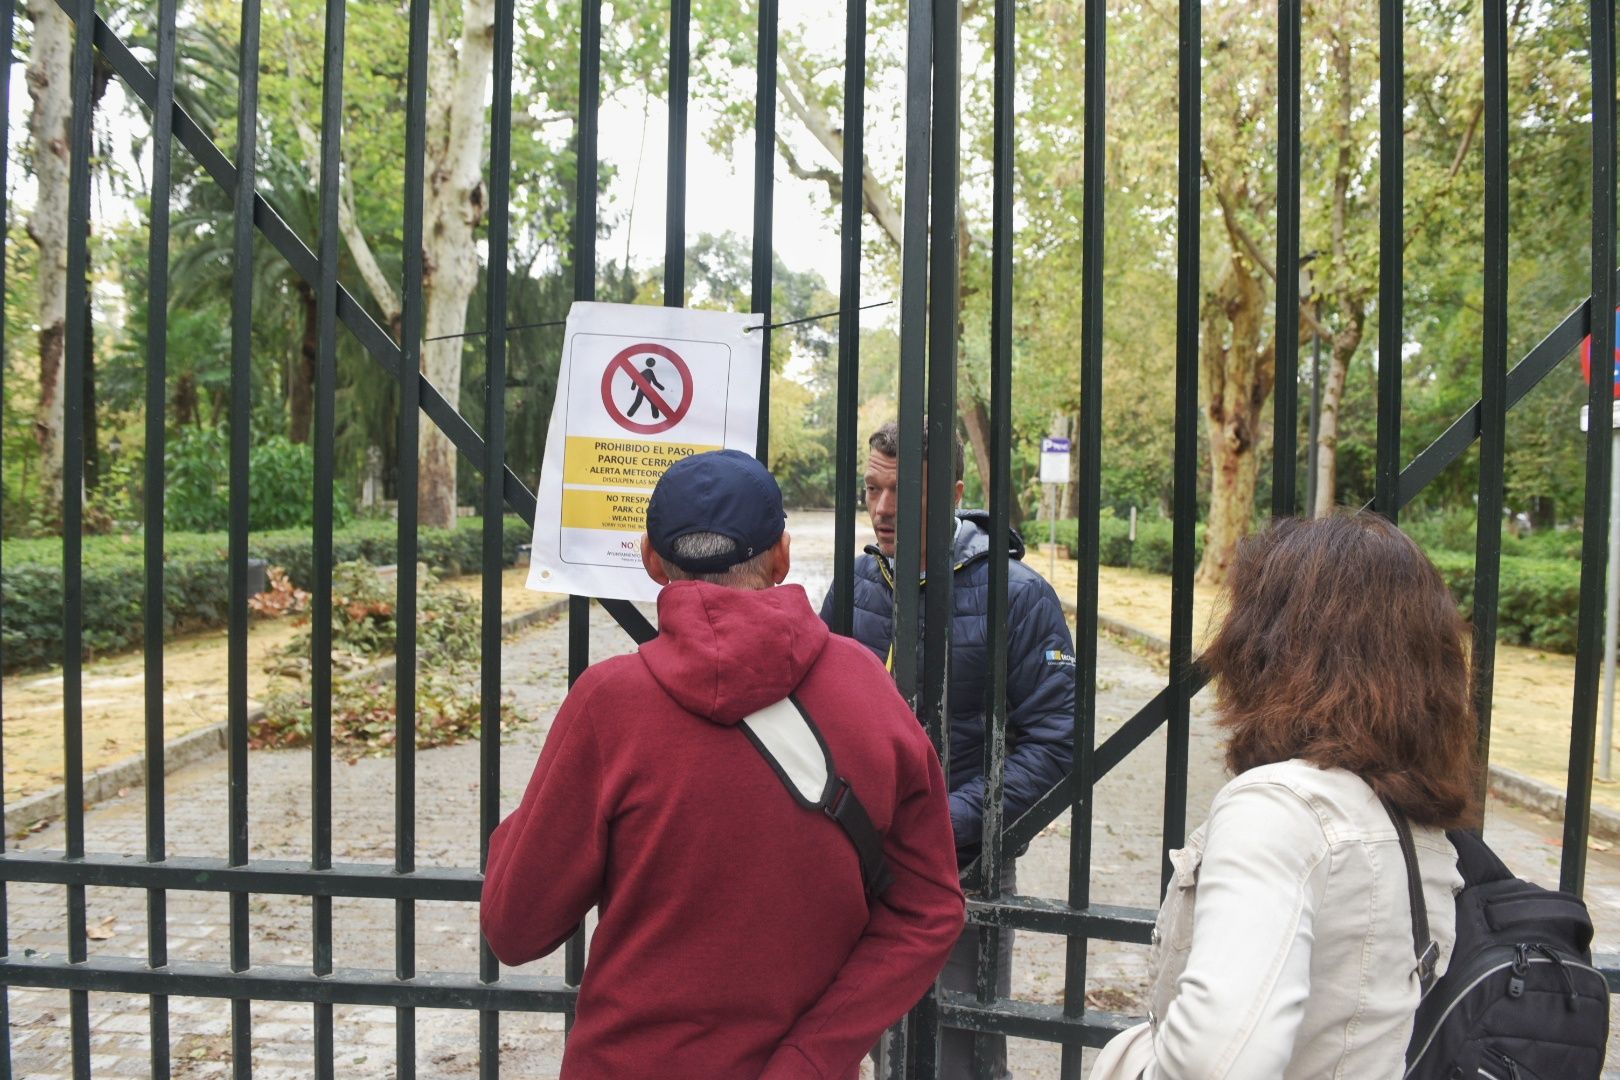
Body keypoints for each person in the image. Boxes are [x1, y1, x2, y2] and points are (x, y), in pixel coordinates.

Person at [482, 448, 964, 1080]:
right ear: (783, 554)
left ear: (651, 560)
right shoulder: (865, 687)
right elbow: (930, 909)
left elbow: (515, 930)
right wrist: (812, 1056)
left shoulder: (609, 706)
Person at [1092, 513, 1476, 1079]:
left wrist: (1128, 1062)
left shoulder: (1280, 810)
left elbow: (1215, 1064)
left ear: (1267, 642)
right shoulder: (1408, 823)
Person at [821, 420, 1076, 1080]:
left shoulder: (1016, 596)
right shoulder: (856, 585)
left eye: (901, 491)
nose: (881, 509)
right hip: (851, 866)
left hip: (958, 871)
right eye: (871, 489)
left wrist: (942, 823)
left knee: (955, 1054)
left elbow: (1055, 743)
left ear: (955, 492)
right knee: (862, 1042)